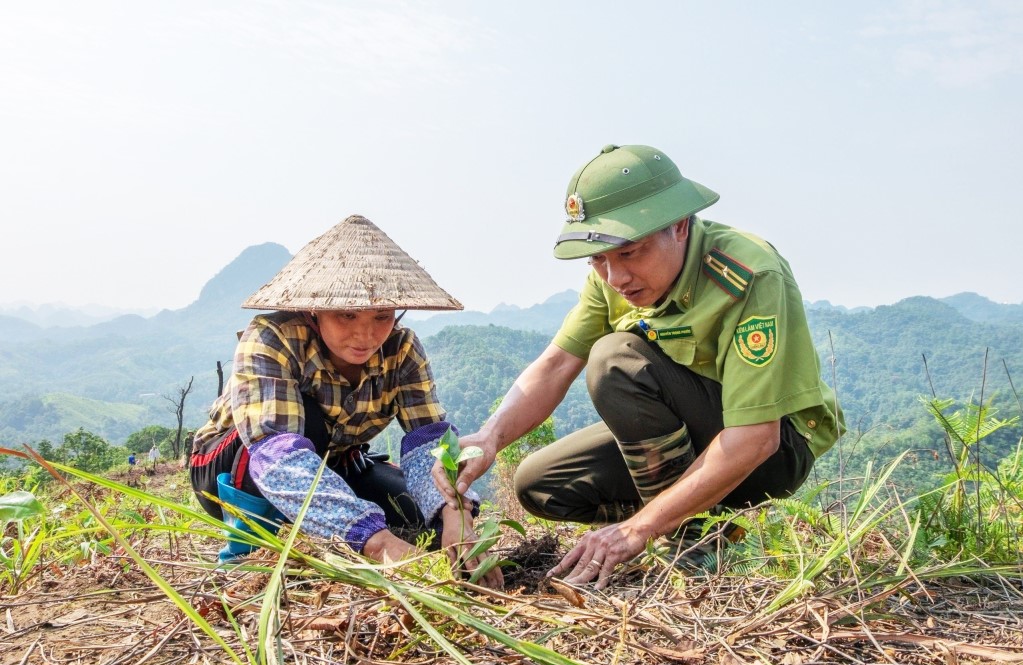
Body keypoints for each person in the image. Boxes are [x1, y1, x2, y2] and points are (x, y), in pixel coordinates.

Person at [434, 144, 843, 588]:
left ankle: (689, 544)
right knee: (541, 483)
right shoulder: (611, 277)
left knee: (616, 360)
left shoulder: (749, 273)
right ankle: (711, 520)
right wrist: (490, 437)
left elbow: (755, 439)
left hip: (775, 447)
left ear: (680, 226)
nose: (615, 278)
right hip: (694, 438)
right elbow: (555, 365)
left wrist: (639, 528)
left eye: (629, 253)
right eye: (599, 259)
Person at [190, 215, 502, 588]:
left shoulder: (401, 350)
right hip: (239, 465)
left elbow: (429, 443)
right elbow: (275, 453)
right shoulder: (272, 337)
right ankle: (247, 547)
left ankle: (337, 523)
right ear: (313, 311)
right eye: (347, 315)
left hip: (337, 464)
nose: (365, 334)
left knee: (419, 513)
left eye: (382, 316)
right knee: (308, 422)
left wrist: (456, 514)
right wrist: (377, 543)